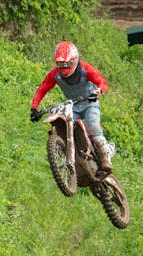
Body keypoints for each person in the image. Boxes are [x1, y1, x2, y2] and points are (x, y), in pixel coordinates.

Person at [30, 41, 112, 173]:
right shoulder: (55, 74)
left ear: (74, 60)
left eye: (66, 64)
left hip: (89, 102)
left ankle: (105, 157)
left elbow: (101, 82)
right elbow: (42, 89)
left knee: (93, 125)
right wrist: (34, 108)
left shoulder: (86, 68)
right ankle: (66, 154)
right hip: (73, 106)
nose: (63, 68)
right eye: (60, 64)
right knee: (61, 124)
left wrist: (97, 92)